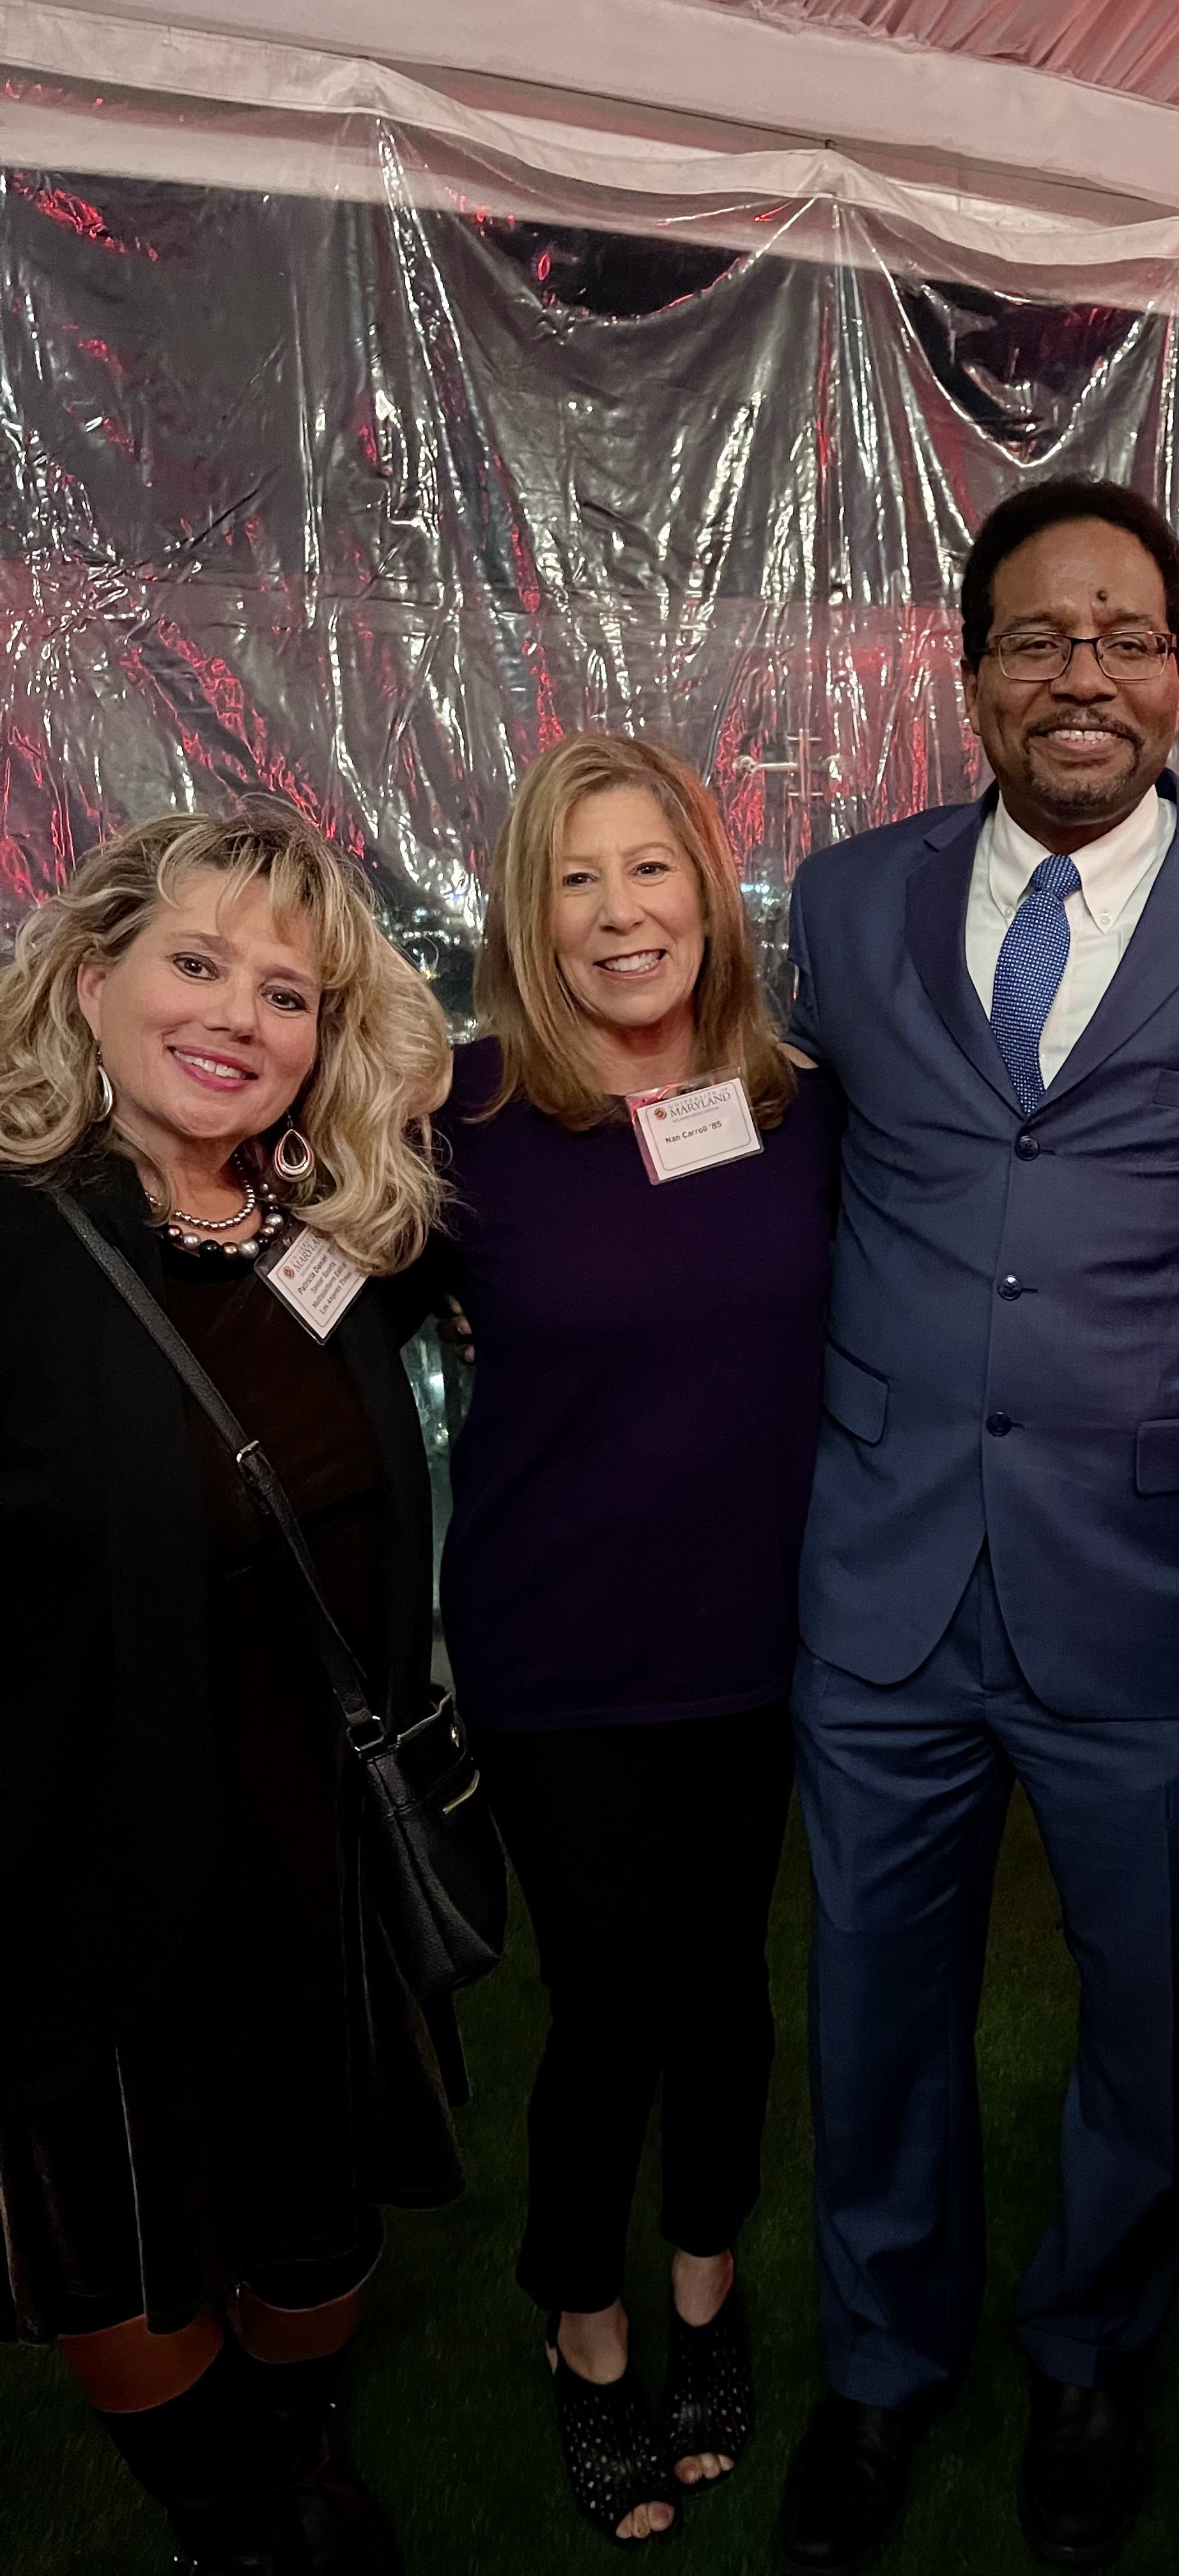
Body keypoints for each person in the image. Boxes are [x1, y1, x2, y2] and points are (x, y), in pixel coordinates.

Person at [774, 476, 1179, 2575]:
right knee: (873, 2001)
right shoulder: (844, 904)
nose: (1080, 672)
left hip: (1150, 1586)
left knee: (1145, 2003)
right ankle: (877, 2360)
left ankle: (1095, 2342)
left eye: (1121, 634)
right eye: (1037, 636)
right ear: (972, 672)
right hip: (888, 1576)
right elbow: (748, 1160)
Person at [0, 806, 456, 2576]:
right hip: (83, 1871)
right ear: (94, 981)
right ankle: (222, 2519)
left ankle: (290, 2451)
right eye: (198, 965)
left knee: (315, 2216)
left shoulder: (341, 1242)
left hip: (315, 1856)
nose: (239, 1019)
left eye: (289, 993)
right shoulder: (24, 1247)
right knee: (120, 2236)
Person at [409, 733, 837, 2547]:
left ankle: (703, 2293)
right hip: (557, 1656)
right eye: (576, 877)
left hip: (753, 1644)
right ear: (533, 908)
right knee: (612, 2004)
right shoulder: (461, 1118)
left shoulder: (801, 1104)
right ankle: (584, 2332)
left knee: (730, 1995)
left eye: (647, 867)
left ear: (705, 884)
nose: (616, 911)